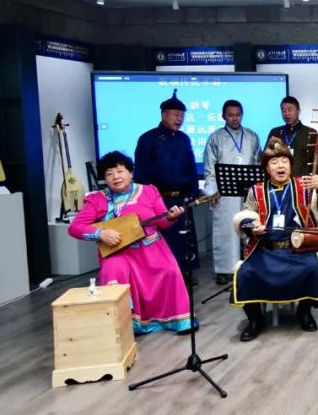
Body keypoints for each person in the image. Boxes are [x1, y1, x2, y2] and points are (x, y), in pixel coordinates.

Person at [68, 151, 195, 334]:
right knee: (113, 271)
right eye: (109, 174)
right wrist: (100, 233)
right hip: (118, 251)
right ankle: (124, 325)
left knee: (170, 270)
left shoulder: (148, 191)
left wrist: (171, 217)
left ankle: (176, 320)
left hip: (151, 248)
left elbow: (162, 222)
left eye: (120, 171)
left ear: (130, 173)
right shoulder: (97, 200)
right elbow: (75, 228)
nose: (115, 177)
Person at [232, 138, 318, 341]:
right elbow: (246, 216)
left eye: (284, 161)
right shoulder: (256, 190)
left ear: (290, 164)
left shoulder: (303, 185)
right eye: (274, 162)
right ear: (266, 168)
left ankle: (304, 313)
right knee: (246, 272)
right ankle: (255, 320)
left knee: (310, 268)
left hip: (297, 250)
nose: (280, 166)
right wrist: (253, 227)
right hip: (265, 249)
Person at [134, 90, 201, 277]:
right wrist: (148, 199)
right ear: (164, 114)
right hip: (159, 199)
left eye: (182, 116)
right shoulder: (147, 139)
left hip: (182, 198)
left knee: (184, 238)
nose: (179, 119)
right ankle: (164, 275)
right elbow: (141, 174)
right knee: (164, 240)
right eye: (175, 115)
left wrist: (193, 193)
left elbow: (191, 168)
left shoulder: (184, 139)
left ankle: (184, 273)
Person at [202, 100, 261, 285]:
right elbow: (209, 168)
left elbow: (258, 164)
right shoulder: (215, 138)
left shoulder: (252, 136)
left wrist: (258, 190)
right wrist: (211, 192)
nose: (234, 118)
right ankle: (224, 270)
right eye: (230, 115)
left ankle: (250, 266)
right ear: (223, 116)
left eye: (237, 115)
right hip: (224, 192)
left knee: (250, 226)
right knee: (225, 230)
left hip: (248, 191)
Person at [267, 96, 315, 178]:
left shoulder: (310, 133)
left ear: (298, 111)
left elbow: (316, 162)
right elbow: (266, 159)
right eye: (283, 110)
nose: (286, 113)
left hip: (302, 181)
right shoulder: (275, 132)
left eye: (290, 110)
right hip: (279, 181)